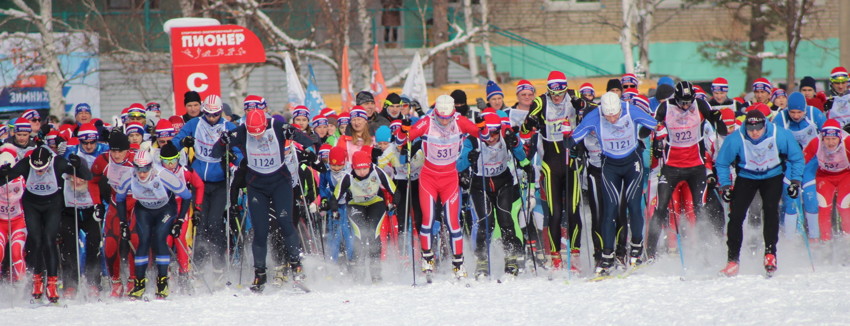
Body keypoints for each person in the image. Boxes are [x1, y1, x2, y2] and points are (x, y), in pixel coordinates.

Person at [218, 108, 315, 292]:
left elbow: (307, 139)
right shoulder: (241, 131)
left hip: (280, 182)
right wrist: (223, 144)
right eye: (252, 133)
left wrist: (308, 146)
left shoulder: (277, 126)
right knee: (260, 231)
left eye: (259, 132)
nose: (256, 136)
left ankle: (296, 266)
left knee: (286, 223)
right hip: (257, 186)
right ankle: (259, 275)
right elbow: (218, 149)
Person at [395, 94, 487, 279]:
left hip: (450, 179)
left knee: (454, 223)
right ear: (435, 112)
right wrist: (402, 130)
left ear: (453, 113)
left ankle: (458, 264)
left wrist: (482, 125)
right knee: (428, 219)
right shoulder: (426, 122)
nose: (444, 121)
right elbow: (401, 141)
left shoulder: (460, 121)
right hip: (428, 178)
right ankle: (427, 258)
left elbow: (484, 136)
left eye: (447, 117)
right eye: (441, 117)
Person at [572, 92, 657, 276]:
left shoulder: (629, 110)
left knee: (634, 206)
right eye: (608, 115)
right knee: (609, 210)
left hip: (632, 163)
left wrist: (646, 131)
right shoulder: (594, 116)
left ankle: (636, 247)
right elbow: (576, 134)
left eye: (615, 115)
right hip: (609, 165)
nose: (612, 118)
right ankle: (607, 256)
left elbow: (653, 123)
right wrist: (569, 142)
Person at [715, 110, 804, 277]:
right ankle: (733, 260)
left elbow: (796, 157)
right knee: (736, 216)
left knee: (770, 210)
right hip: (747, 176)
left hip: (772, 176)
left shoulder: (779, 134)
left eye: (758, 128)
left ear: (765, 125)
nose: (754, 132)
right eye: (750, 129)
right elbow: (722, 163)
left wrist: (795, 181)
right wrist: (725, 186)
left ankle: (770, 254)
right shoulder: (736, 138)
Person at [646, 81, 727, 260]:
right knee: (660, 208)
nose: (685, 106)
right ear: (675, 98)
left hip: (695, 168)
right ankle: (650, 254)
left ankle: (705, 253)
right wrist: (657, 135)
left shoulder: (700, 104)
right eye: (682, 102)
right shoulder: (665, 107)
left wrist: (717, 118)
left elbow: (722, 132)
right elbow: (646, 130)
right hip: (671, 168)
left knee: (700, 208)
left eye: (688, 102)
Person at [0, 147, 90, 303]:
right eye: (36, 169)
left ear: (49, 162)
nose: (39, 172)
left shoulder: (58, 163)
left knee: (49, 239)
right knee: (36, 240)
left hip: (52, 205)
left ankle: (52, 283)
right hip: (32, 205)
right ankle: (37, 280)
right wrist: (3, 172)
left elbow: (86, 175)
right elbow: (6, 179)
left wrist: (78, 165)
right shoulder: (26, 164)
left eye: (42, 169)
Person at [172, 94, 242, 279]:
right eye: (208, 114)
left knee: (215, 223)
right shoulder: (194, 124)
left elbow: (240, 152)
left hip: (219, 182)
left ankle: (219, 265)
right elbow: (173, 144)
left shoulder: (229, 127)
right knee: (200, 223)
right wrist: (182, 142)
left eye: (216, 114)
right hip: (198, 181)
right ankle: (200, 265)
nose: (212, 118)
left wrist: (234, 159)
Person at [520, 71, 584, 270]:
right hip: (551, 163)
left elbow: (590, 115)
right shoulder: (541, 102)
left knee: (573, 211)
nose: (557, 98)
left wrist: (582, 108)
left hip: (572, 161)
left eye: (560, 94)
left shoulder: (574, 98)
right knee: (555, 212)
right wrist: (529, 123)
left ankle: (574, 255)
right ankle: (555, 256)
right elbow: (523, 131)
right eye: (553, 94)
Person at [458, 114, 530, 279]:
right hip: (480, 185)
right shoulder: (473, 140)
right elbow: (459, 165)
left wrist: (516, 144)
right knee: (486, 223)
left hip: (503, 182)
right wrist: (469, 159)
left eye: (495, 133)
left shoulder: (506, 135)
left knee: (506, 219)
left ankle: (510, 259)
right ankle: (482, 260)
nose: (491, 138)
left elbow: (520, 155)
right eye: (488, 134)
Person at [115, 150, 191, 299]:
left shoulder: (163, 175)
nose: (142, 174)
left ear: (151, 166)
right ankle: (139, 283)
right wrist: (123, 222)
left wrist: (180, 220)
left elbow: (187, 196)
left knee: (160, 239)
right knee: (143, 242)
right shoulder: (128, 177)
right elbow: (120, 199)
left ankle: (162, 282)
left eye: (145, 169)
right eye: (138, 169)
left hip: (165, 209)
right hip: (144, 209)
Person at [330, 150, 395, 282]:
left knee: (374, 234)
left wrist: (393, 204)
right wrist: (335, 210)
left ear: (370, 165)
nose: (362, 172)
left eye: (365, 168)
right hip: (356, 204)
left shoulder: (377, 171)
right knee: (359, 234)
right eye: (359, 169)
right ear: (353, 167)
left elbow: (394, 190)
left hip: (375, 202)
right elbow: (335, 197)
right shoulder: (348, 176)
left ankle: (375, 271)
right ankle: (359, 270)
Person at [90, 132, 139, 297]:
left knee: (136, 240)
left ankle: (134, 279)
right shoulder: (103, 160)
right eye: (113, 151)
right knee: (110, 243)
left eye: (120, 151)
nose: (116, 155)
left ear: (128, 150)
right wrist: (97, 203)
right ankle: (116, 282)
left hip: (136, 204)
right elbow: (92, 181)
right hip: (116, 204)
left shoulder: (136, 159)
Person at [158, 143, 204, 293]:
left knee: (179, 239)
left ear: (178, 159)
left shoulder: (185, 171)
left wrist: (197, 207)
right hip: (164, 209)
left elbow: (199, 185)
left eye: (173, 161)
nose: (170, 165)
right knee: (165, 241)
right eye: (166, 161)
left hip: (181, 208)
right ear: (161, 161)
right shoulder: (157, 173)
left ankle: (184, 275)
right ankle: (163, 275)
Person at [802, 119, 850, 241]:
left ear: (839, 137)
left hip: (845, 175)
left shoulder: (847, 141)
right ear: (823, 138)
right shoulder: (816, 142)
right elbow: (802, 160)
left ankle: (847, 238)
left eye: (834, 139)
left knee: (844, 205)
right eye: (827, 139)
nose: (831, 142)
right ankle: (825, 240)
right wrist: (795, 178)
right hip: (825, 177)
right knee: (823, 207)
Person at [0, 149, 25, 283]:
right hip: (1, 222)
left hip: (18, 221)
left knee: (16, 252)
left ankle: (22, 285)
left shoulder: (21, 179)